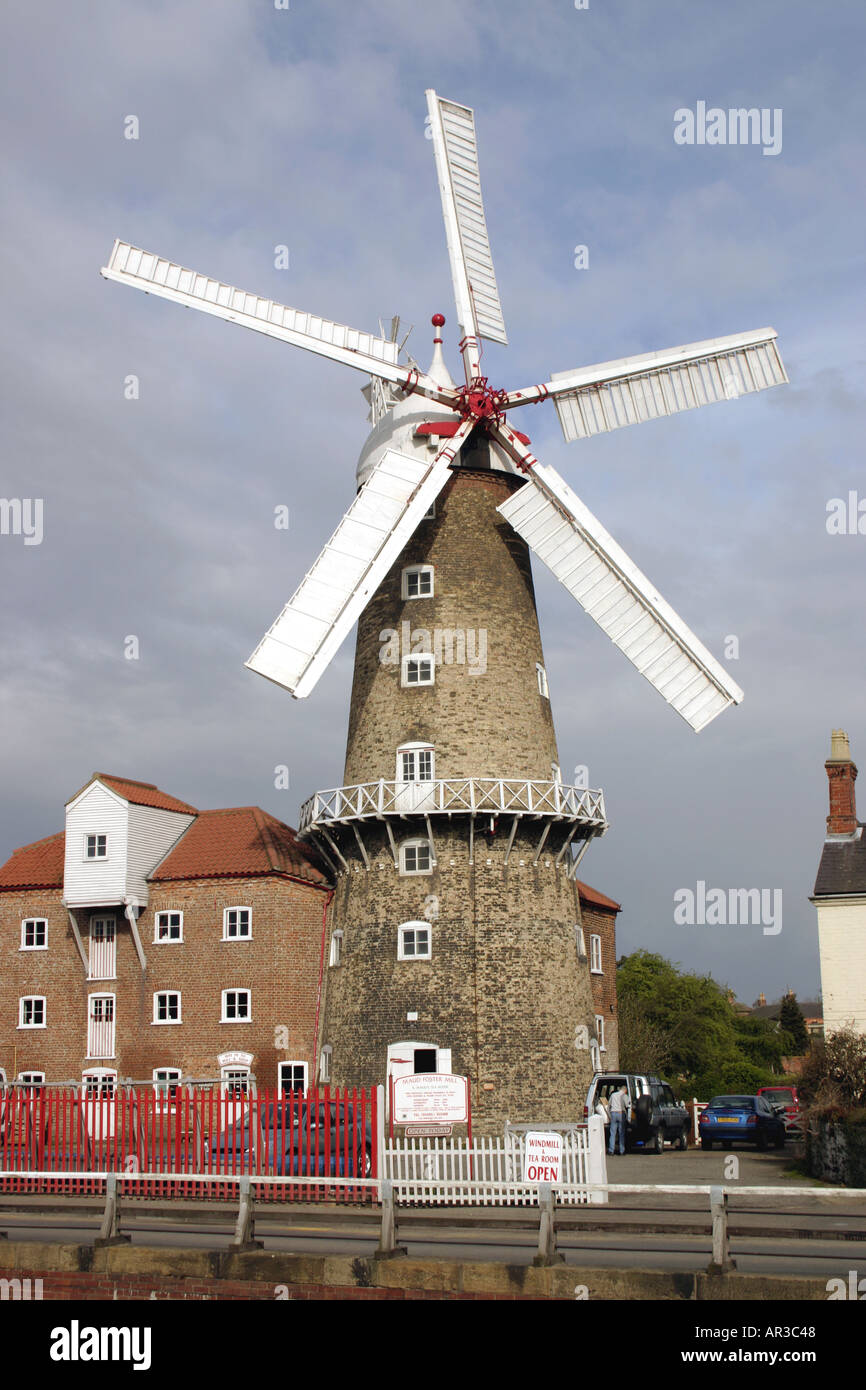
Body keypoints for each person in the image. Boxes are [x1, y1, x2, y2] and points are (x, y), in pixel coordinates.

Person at [608, 1084, 630, 1155]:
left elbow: (609, 1105)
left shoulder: (613, 1095)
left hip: (613, 1113)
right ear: (625, 1090)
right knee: (621, 1133)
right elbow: (627, 1105)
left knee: (612, 1133)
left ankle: (611, 1150)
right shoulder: (624, 1095)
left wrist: (609, 1115)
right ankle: (622, 1150)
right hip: (621, 1113)